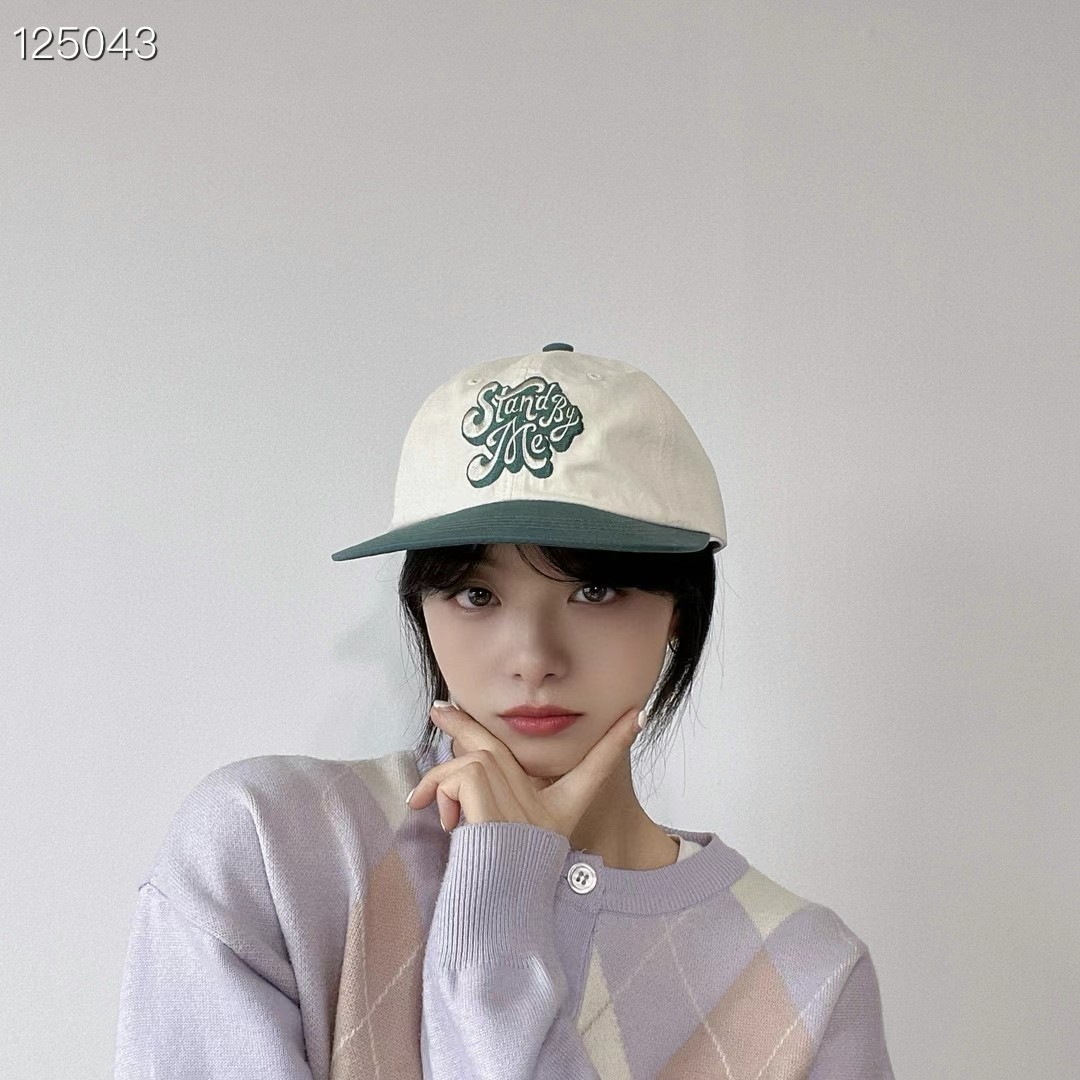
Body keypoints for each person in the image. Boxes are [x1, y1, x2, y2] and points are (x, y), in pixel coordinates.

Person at [114, 343, 895, 1078]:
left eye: (594, 590)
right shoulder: (269, 849)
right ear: (421, 608)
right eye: (475, 594)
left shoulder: (805, 978)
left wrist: (497, 923)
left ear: (680, 612)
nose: (533, 657)